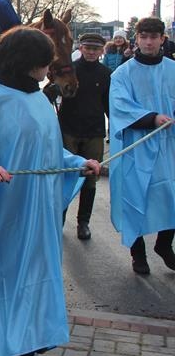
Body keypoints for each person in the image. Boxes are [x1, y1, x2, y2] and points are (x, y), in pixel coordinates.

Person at [0, 27, 101, 356]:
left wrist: (77, 164)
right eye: (45, 61)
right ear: (29, 63)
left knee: (32, 283)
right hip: (2, 219)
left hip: (38, 219)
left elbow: (49, 153)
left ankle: (25, 343)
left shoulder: (41, 102)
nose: (48, 68)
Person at [108, 17, 175, 275]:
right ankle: (138, 254)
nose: (148, 42)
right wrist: (152, 118)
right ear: (136, 38)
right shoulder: (122, 74)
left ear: (162, 39)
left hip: (169, 146)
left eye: (153, 37)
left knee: (171, 196)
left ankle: (164, 245)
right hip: (137, 147)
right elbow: (120, 107)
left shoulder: (172, 69)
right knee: (135, 197)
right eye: (143, 37)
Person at [58, 33, 111, 240]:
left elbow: (109, 104)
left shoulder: (106, 74)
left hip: (94, 131)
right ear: (80, 48)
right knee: (65, 177)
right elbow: (54, 92)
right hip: (68, 129)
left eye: (95, 49)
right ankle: (59, 219)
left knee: (90, 179)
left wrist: (115, 129)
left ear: (102, 51)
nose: (91, 52)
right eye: (87, 48)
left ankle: (83, 222)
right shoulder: (69, 70)